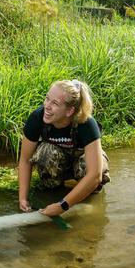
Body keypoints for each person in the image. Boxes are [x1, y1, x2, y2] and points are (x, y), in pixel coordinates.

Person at [18, 79, 110, 216]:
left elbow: (94, 175)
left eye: (54, 103)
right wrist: (23, 198)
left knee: (87, 168)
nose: (47, 106)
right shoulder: (37, 118)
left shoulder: (87, 124)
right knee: (45, 153)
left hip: (81, 163)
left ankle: (86, 198)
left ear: (69, 111)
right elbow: (25, 161)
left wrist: (62, 206)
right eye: (47, 99)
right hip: (59, 160)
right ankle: (53, 190)